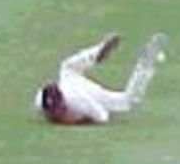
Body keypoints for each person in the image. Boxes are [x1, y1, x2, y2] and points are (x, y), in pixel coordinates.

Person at [34, 33, 167, 125]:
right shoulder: (40, 102)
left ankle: (144, 65)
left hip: (85, 91)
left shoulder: (80, 102)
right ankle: (97, 52)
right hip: (70, 82)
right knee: (67, 67)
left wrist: (81, 122)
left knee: (126, 102)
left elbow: (102, 117)